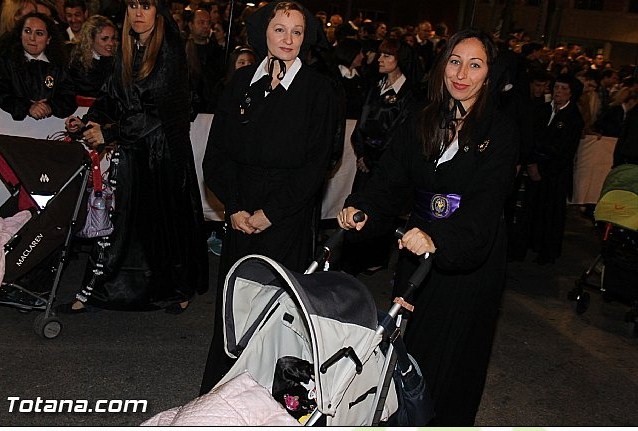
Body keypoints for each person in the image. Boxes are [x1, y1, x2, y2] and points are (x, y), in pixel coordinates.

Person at [338, 29, 519, 425]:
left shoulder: (500, 131)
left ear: (488, 76)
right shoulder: (422, 118)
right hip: (417, 250)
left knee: (452, 357)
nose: (462, 73)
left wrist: (439, 238)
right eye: (455, 61)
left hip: (468, 256)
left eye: (475, 65)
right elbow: (390, 179)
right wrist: (363, 207)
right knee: (407, 349)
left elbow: (486, 206)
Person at [199, 0, 338, 394]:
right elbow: (217, 156)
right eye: (280, 29)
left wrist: (270, 213)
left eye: (297, 31)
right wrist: (235, 208)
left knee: (280, 315)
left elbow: (316, 166)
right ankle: (223, 393)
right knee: (235, 311)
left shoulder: (319, 91)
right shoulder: (240, 84)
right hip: (241, 216)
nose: (288, 39)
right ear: (264, 33)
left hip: (288, 220)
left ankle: (273, 400)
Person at [59, 0, 208, 313]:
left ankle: (176, 289)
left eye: (147, 6)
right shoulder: (128, 48)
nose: (138, 13)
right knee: (125, 222)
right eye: (133, 6)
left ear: (159, 12)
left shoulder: (169, 50)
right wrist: (89, 120)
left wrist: (110, 134)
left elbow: (158, 111)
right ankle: (103, 289)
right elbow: (112, 95)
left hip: (163, 153)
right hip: (133, 148)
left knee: (165, 223)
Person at [342, 37, 418, 275]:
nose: (380, 59)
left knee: (383, 210)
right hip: (366, 158)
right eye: (380, 54)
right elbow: (363, 123)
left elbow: (401, 133)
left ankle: (374, 259)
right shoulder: (376, 85)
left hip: (387, 163)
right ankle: (352, 259)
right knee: (359, 204)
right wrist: (362, 153)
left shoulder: (409, 93)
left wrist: (376, 159)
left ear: (400, 60)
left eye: (387, 56)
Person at [527, 73, 584, 264]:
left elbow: (565, 151)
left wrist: (543, 170)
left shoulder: (574, 118)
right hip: (535, 167)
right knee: (532, 209)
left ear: (571, 94)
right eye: (557, 87)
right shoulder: (542, 110)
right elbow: (532, 138)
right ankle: (530, 243)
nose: (559, 92)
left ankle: (547, 252)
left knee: (552, 214)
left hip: (555, 174)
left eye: (564, 89)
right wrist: (532, 163)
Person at [0, 12, 75, 120]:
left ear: (48, 39)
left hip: (50, 130)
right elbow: (3, 94)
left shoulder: (59, 65)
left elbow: (68, 97)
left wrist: (50, 106)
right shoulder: (6, 63)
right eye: (27, 31)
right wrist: (27, 107)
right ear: (20, 34)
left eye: (39, 33)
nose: (32, 38)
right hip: (12, 131)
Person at [67, 14, 117, 105]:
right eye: (104, 39)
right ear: (90, 40)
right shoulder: (76, 63)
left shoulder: (117, 60)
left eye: (112, 38)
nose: (111, 43)